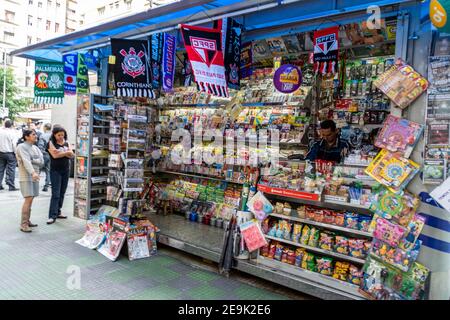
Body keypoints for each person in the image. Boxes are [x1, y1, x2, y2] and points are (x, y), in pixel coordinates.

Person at [16, 129, 43, 233]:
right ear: (26, 136)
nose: (35, 136)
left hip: (35, 175)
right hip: (26, 176)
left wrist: (33, 160)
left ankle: (27, 220)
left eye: (35, 134)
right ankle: (24, 224)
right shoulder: (21, 147)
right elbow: (26, 161)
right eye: (33, 134)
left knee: (31, 199)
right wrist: (32, 171)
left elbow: (42, 162)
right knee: (28, 198)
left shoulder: (35, 148)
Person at [47, 126, 74, 224]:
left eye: (62, 135)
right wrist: (66, 152)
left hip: (66, 170)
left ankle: (58, 212)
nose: (61, 137)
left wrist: (62, 152)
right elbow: (55, 155)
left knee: (62, 192)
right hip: (55, 171)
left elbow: (72, 154)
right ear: (54, 134)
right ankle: (52, 215)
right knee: (56, 194)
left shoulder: (66, 142)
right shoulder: (51, 143)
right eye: (59, 135)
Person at [0, 119, 18, 191]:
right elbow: (14, 145)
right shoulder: (12, 133)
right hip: (10, 153)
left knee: (0, 170)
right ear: (12, 125)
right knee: (11, 170)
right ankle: (11, 186)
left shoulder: (0, 132)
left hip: (1, 152)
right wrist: (16, 153)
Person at [38, 123, 52, 192]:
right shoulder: (53, 136)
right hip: (51, 155)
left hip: (44, 155)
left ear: (45, 128)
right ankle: (46, 186)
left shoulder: (42, 136)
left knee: (38, 169)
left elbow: (40, 147)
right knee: (48, 171)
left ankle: (35, 184)